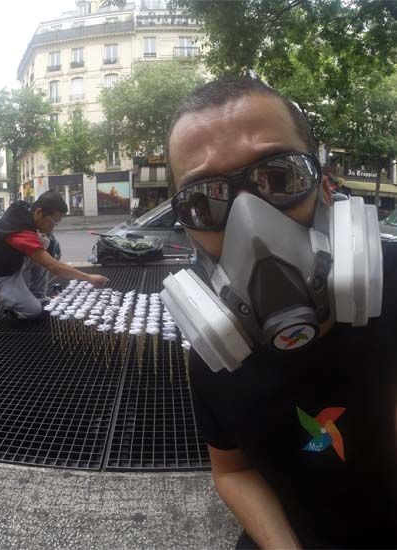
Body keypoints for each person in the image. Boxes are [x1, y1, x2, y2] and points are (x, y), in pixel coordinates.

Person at [166, 76, 397, 548]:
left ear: (326, 185)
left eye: (279, 176)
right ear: (188, 232)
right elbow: (232, 470)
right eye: (203, 202)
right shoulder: (214, 356)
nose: (250, 223)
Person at [0, 191, 108, 320]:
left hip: (12, 264)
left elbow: (47, 259)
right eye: (53, 221)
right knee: (33, 312)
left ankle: (38, 295)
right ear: (38, 212)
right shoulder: (19, 231)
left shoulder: (26, 211)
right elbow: (52, 265)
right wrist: (89, 277)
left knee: (44, 243)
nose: (54, 227)